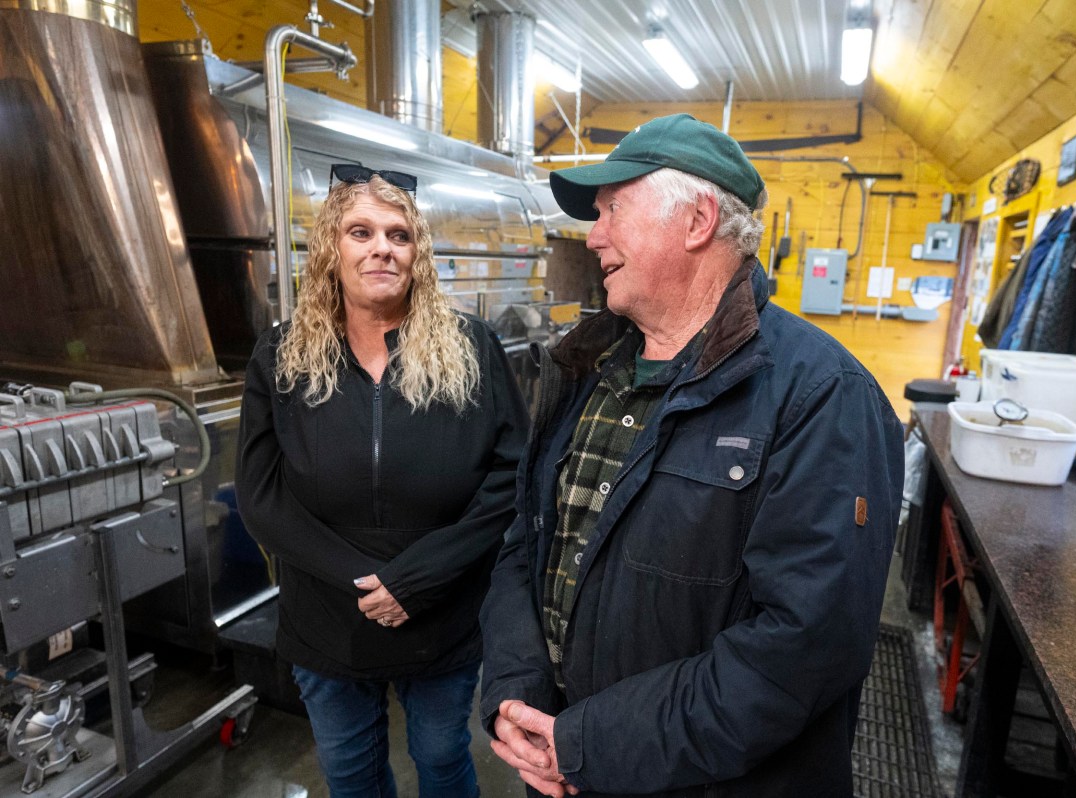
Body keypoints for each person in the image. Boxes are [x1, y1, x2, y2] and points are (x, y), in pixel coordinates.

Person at [479, 114, 904, 797]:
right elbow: (522, 547)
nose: (593, 236)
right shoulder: (587, 367)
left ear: (698, 220)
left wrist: (589, 745)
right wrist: (516, 695)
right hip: (560, 767)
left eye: (613, 208)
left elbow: (800, 651)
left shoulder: (823, 397)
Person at [237, 164, 529, 798]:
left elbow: (512, 476)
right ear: (332, 249)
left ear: (417, 252)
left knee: (442, 756)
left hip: (443, 614)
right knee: (348, 770)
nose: (381, 249)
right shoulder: (282, 356)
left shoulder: (472, 349)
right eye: (360, 232)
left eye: (398, 235)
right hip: (326, 619)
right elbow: (261, 495)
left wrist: (417, 578)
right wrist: (364, 581)